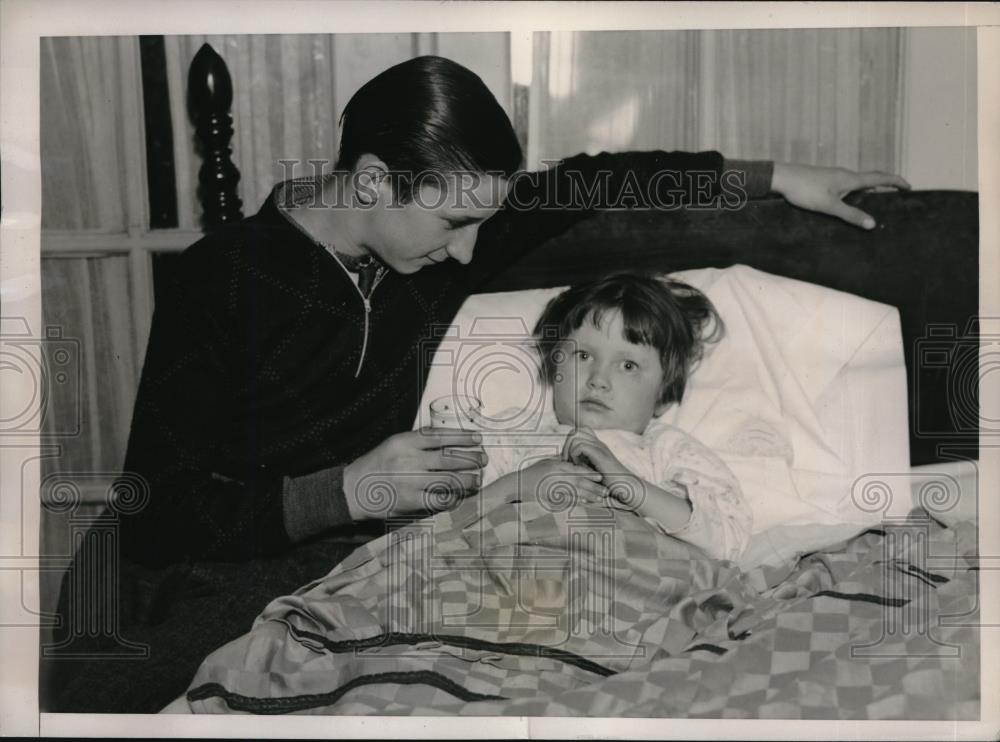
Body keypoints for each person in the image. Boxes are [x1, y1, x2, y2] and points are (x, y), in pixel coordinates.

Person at [45, 54, 909, 713]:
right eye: (455, 222)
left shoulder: (434, 244)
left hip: (339, 564)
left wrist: (780, 178)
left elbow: (594, 179)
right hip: (186, 569)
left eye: (481, 225)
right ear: (376, 180)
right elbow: (155, 506)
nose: (466, 255)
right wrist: (342, 491)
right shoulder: (221, 279)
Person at [478, 273, 751, 562]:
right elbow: (451, 519)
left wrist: (628, 484)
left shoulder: (668, 450)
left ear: (663, 395)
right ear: (552, 365)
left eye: (628, 365)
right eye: (583, 356)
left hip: (633, 583)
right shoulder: (511, 434)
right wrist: (516, 486)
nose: (599, 380)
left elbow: (727, 541)